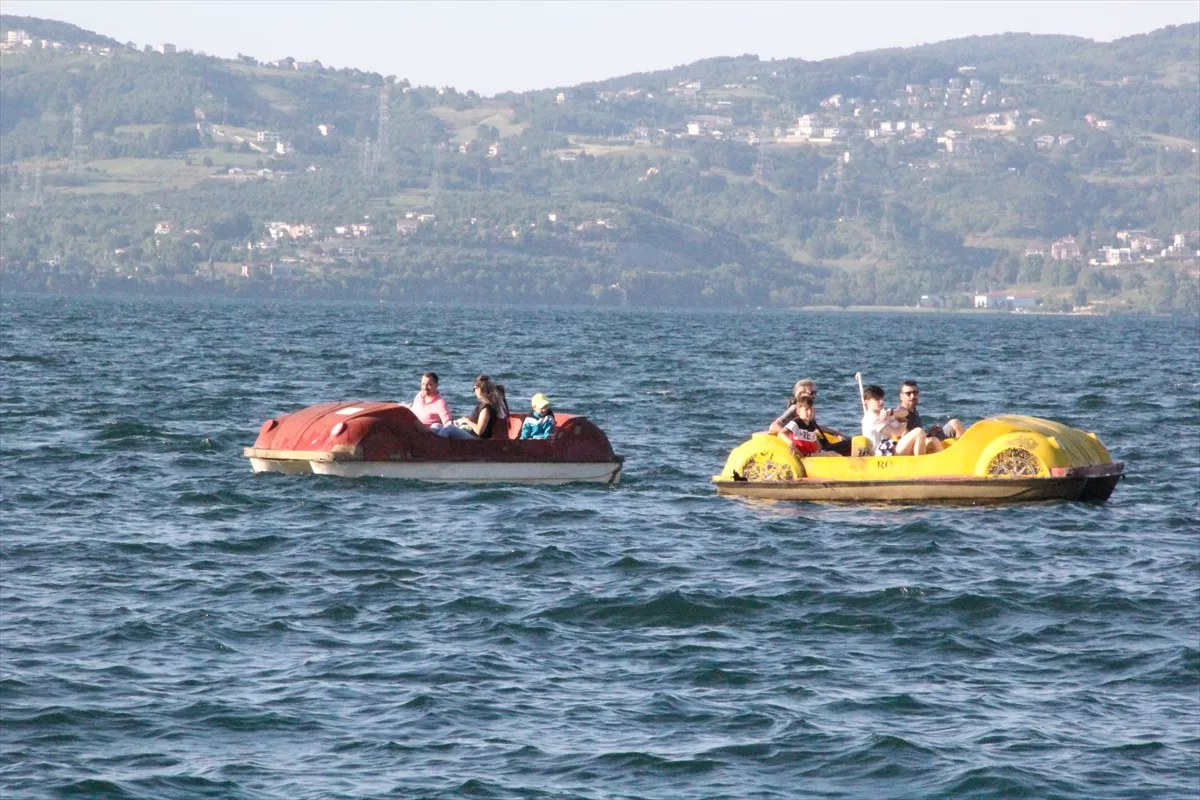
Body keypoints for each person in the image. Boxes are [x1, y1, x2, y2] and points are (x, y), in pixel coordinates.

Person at [768, 378, 852, 456]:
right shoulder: (795, 409)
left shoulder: (809, 410)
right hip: (812, 448)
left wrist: (835, 432)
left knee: (850, 441)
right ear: (801, 394)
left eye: (815, 393)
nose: (814, 396)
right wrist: (795, 436)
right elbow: (774, 426)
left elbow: (814, 427)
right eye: (811, 393)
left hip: (819, 446)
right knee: (852, 442)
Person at [892, 380, 966, 454]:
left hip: (922, 440)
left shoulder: (914, 411)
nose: (912, 396)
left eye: (915, 392)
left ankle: (963, 454)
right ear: (901, 396)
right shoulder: (900, 413)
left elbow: (920, 435)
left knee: (955, 423)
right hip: (909, 449)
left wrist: (930, 434)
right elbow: (906, 439)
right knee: (933, 440)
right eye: (908, 393)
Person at [861, 384, 927, 456]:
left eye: (882, 398)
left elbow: (905, 413)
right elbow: (897, 432)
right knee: (919, 431)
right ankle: (918, 462)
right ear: (867, 402)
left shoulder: (882, 414)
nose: (881, 401)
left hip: (889, 447)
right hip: (881, 454)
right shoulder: (871, 418)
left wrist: (890, 412)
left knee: (933, 441)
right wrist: (904, 421)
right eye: (877, 399)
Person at [437, 374, 505, 440]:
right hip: (470, 432)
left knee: (449, 428)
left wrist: (467, 421)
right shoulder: (482, 405)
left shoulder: (486, 408)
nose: (474, 391)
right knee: (437, 426)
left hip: (477, 438)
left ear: (481, 389)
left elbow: (479, 431)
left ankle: (437, 448)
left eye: (474, 389)